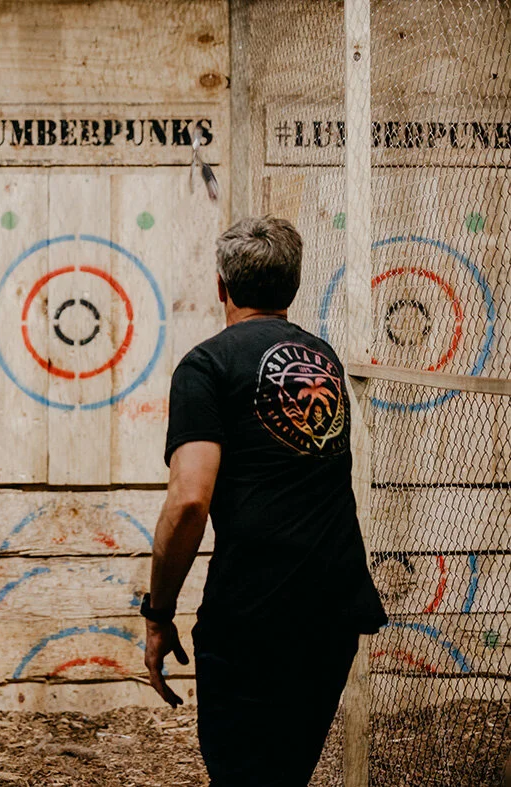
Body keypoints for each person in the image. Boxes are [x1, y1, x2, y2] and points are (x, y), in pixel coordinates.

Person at [141, 216, 388, 786]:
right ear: (293, 287)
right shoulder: (322, 358)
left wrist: (158, 613)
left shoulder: (207, 365)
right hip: (333, 608)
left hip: (255, 614)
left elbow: (188, 502)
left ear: (220, 285)